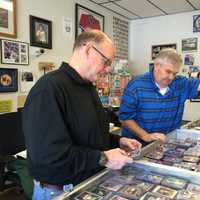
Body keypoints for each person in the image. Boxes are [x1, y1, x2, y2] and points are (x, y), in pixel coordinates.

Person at [22, 29, 141, 200]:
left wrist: (119, 141)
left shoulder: (88, 87)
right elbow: (49, 155)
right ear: (87, 49)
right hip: (59, 191)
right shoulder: (49, 88)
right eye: (106, 62)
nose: (107, 69)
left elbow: (91, 136)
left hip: (88, 184)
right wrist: (104, 157)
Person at [119, 48, 200, 146]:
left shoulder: (180, 84)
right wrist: (146, 136)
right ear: (157, 66)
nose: (171, 77)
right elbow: (125, 118)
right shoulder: (136, 86)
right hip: (137, 145)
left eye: (175, 73)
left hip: (166, 145)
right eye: (168, 72)